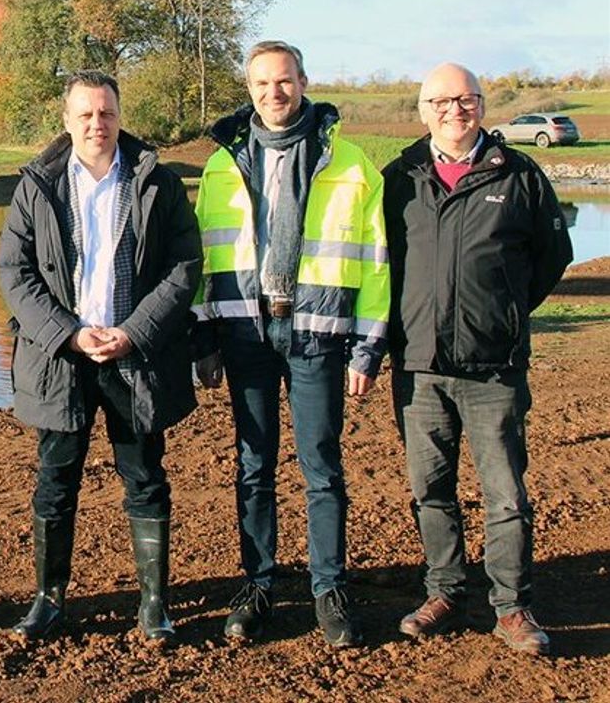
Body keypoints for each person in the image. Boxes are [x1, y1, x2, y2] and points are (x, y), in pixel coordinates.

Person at [192, 40, 388, 647]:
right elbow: (202, 259)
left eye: (283, 81)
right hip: (244, 332)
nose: (273, 93)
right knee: (253, 464)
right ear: (248, 89)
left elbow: (376, 261)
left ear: (303, 82)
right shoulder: (222, 164)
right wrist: (203, 338)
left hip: (317, 334)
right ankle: (258, 586)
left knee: (321, 466)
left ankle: (329, 588)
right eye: (261, 84)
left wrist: (367, 347)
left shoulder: (349, 162)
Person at [0, 70, 202, 643]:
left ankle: (154, 605)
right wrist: (66, 333)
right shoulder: (36, 186)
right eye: (85, 114)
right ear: (67, 120)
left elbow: (184, 266)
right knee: (55, 479)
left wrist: (135, 332)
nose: (97, 124)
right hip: (61, 359)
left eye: (106, 113)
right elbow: (13, 271)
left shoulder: (155, 181)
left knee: (145, 477)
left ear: (118, 116)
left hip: (135, 357)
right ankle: (47, 600)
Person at [383, 63, 572, 655]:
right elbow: (379, 264)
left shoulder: (519, 174)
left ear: (483, 106)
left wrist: (504, 311)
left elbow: (552, 256)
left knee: (506, 493)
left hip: (494, 367)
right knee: (429, 488)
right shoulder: (399, 177)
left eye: (466, 99)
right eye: (441, 101)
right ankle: (444, 591)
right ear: (423, 111)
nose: (454, 110)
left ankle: (512, 606)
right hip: (419, 365)